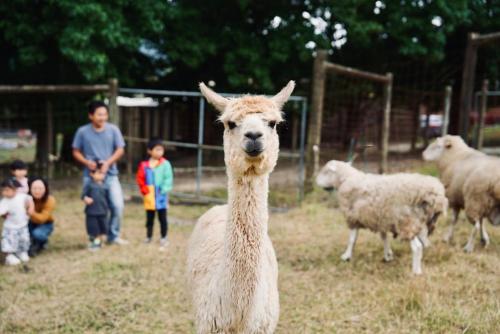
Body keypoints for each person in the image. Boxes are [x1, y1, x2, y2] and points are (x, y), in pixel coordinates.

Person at [72, 100, 128, 245]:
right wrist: (87, 162)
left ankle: (113, 236)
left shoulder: (113, 129)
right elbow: (76, 151)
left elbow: (120, 149)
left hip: (110, 175)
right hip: (91, 177)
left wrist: (108, 163)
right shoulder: (82, 131)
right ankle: (95, 237)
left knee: (117, 206)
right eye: (99, 114)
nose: (102, 117)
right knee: (94, 209)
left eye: (105, 114)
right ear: (91, 116)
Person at [136, 138, 173, 249]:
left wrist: (164, 189)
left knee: (163, 218)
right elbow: (140, 178)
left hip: (161, 196)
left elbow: (168, 178)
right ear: (149, 151)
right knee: (149, 218)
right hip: (149, 196)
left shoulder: (165, 164)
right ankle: (149, 236)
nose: (159, 152)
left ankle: (164, 237)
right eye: (157, 149)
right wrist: (143, 189)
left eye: (161, 150)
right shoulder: (144, 165)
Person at [0, 179, 33, 265]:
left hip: (22, 224)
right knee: (10, 241)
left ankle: (22, 252)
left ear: (15, 189)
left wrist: (30, 208)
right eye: (3, 190)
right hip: (10, 227)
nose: (5, 193)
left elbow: (29, 199)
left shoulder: (21, 197)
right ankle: (9, 256)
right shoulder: (4, 201)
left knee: (24, 239)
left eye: (7, 190)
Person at [82, 165, 110, 251]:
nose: (101, 175)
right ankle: (95, 243)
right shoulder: (89, 185)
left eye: (103, 173)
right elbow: (83, 195)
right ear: (91, 174)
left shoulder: (106, 186)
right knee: (93, 229)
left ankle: (100, 242)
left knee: (103, 228)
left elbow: (108, 199)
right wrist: (86, 198)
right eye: (99, 173)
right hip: (92, 211)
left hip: (103, 211)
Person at [27, 177, 56, 256]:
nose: (37, 191)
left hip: (46, 223)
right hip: (30, 222)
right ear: (29, 189)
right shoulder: (26, 198)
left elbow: (42, 218)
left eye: (40, 188)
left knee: (37, 234)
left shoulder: (50, 200)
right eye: (34, 188)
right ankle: (32, 243)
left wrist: (31, 212)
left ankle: (42, 242)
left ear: (45, 189)